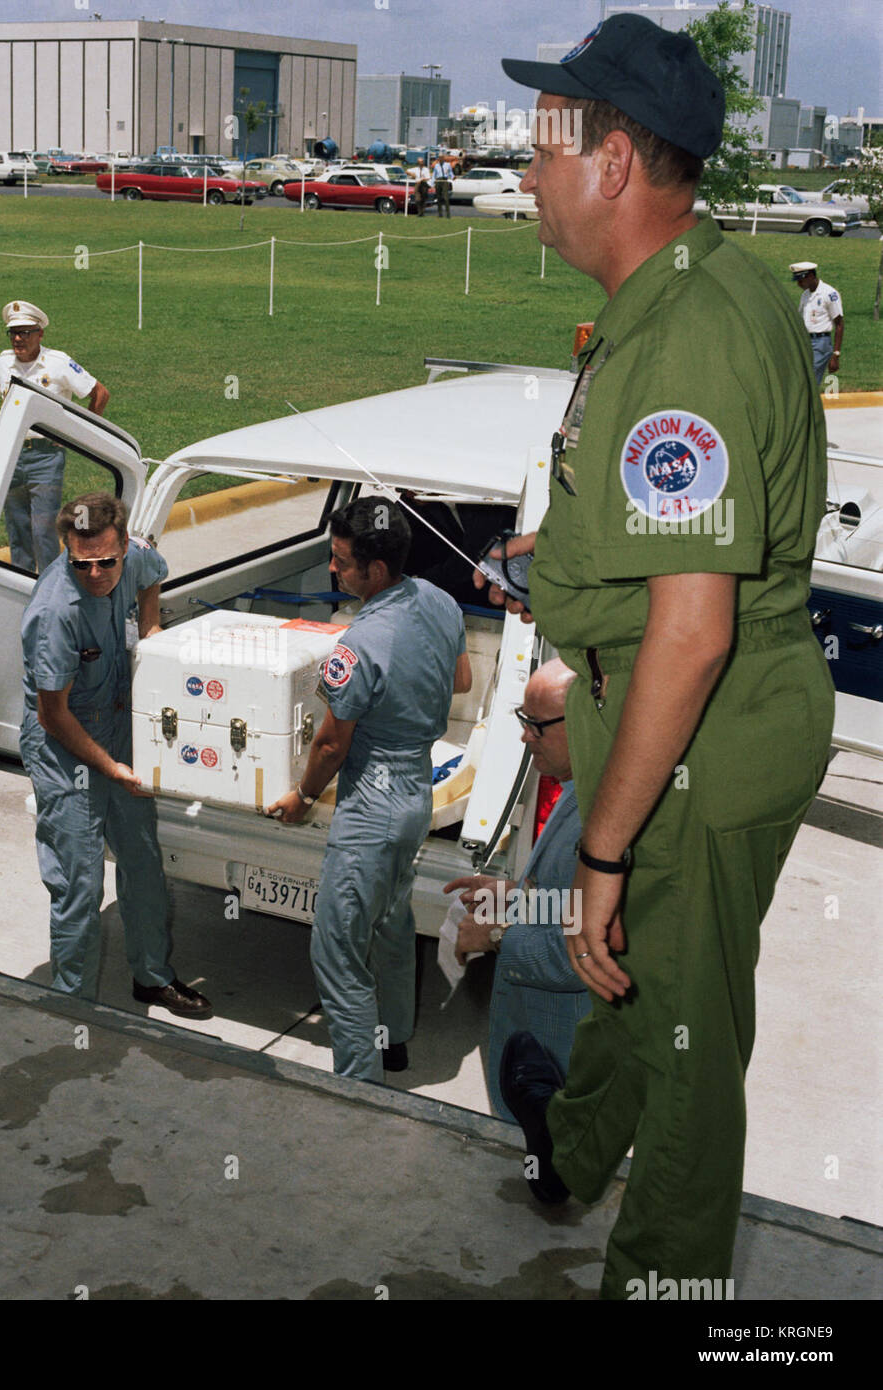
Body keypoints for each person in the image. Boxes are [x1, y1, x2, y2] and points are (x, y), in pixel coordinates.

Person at [485, 15, 836, 1297]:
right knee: (632, 968)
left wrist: (600, 845)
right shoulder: (689, 293)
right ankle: (574, 1148)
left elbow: (691, 632)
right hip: (682, 709)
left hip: (706, 735)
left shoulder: (686, 334)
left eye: (541, 149)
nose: (526, 176)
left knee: (687, 1044)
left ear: (615, 162)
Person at [267, 498, 472, 1082]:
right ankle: (395, 1040)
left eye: (340, 561)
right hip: (415, 794)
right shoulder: (438, 599)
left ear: (374, 570)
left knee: (335, 948)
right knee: (390, 921)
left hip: (373, 807)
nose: (333, 570)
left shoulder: (357, 645)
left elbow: (331, 745)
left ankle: (357, 1085)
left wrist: (301, 798)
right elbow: (461, 680)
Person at [20, 491, 212, 1016]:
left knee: (144, 862)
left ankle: (152, 976)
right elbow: (52, 715)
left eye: (108, 560)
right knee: (79, 885)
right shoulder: (54, 612)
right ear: (67, 551)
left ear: (123, 543)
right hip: (66, 745)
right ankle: (73, 1006)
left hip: (118, 723)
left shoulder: (136, 556)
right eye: (84, 564)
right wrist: (111, 769)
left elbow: (150, 575)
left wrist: (150, 631)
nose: (99, 573)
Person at [442, 660, 588, 1134]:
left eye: (536, 726)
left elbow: (587, 950)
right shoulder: (576, 787)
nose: (525, 738)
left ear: (587, 721)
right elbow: (575, 904)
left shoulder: (607, 820)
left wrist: (499, 932)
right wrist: (515, 895)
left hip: (564, 1068)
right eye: (522, 721)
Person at [0, 299, 109, 573]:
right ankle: (24, 587)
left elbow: (100, 393)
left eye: (25, 332)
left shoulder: (58, 363)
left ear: (40, 334)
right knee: (18, 529)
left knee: (43, 531)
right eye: (13, 332)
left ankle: (51, 587)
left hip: (46, 457)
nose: (18, 338)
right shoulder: (3, 363)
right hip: (10, 453)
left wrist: (77, 433)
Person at [791, 261, 844, 386]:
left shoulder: (829, 294)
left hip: (820, 343)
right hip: (805, 341)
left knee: (810, 381)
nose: (799, 284)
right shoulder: (805, 295)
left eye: (801, 279)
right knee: (802, 379)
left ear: (810, 276)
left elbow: (840, 324)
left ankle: (810, 405)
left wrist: (836, 355)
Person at [430, 152, 455, 218]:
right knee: (439, 198)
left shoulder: (447, 165)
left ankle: (448, 214)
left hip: (444, 180)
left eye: (442, 158)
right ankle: (440, 214)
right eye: (439, 158)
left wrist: (453, 177)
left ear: (444, 158)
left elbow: (450, 173)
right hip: (438, 181)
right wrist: (432, 184)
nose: (441, 159)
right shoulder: (436, 166)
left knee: (446, 198)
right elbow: (434, 175)